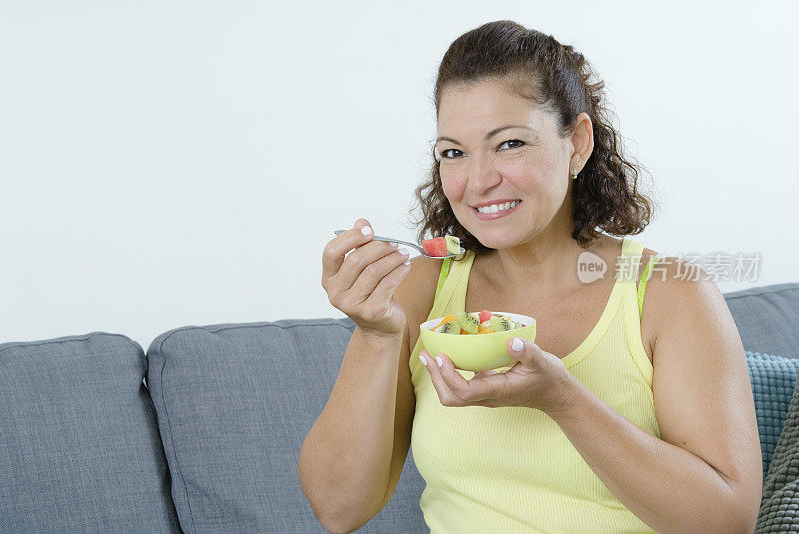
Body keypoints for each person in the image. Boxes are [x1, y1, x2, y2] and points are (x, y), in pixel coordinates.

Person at [301, 20, 762, 533]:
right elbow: (338, 509)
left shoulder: (669, 294)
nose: (477, 181)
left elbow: (727, 521)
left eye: (510, 144)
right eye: (454, 152)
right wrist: (374, 334)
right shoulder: (421, 291)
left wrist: (562, 399)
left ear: (577, 143)